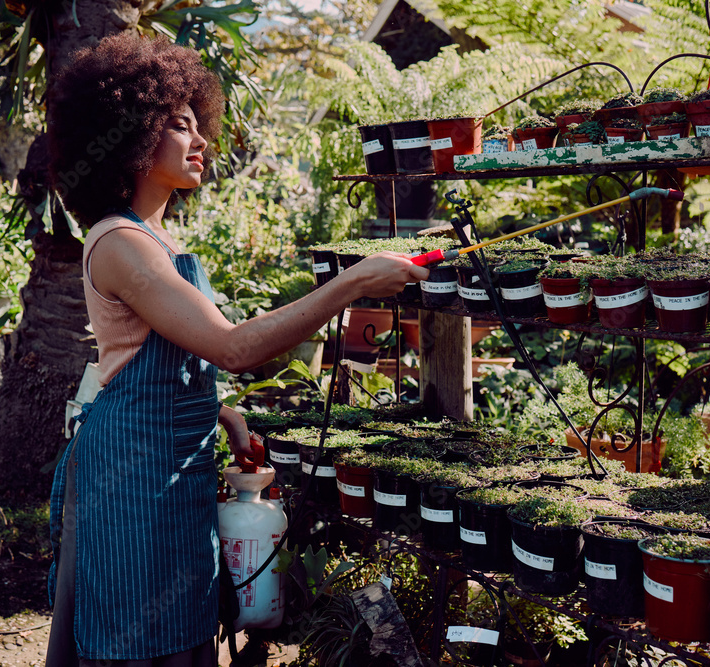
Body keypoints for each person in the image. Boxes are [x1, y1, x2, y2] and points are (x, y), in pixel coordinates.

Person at [44, 32, 427, 667]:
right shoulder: (120, 243)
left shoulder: (154, 239)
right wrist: (353, 281)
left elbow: (153, 355)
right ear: (131, 133)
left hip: (174, 468)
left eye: (199, 125)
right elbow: (232, 347)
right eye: (180, 126)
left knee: (184, 624)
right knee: (137, 635)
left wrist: (220, 412)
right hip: (132, 477)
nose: (202, 142)